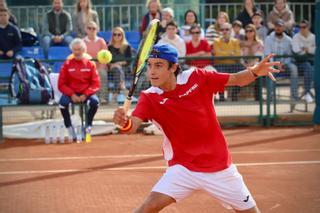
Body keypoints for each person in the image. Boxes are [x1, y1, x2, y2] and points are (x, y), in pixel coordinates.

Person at [113, 43, 280, 213]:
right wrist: (123, 122)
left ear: (173, 67)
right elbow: (132, 126)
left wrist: (255, 71)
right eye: (149, 65)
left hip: (219, 167)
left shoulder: (197, 77)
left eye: (159, 65)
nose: (152, 71)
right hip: (182, 168)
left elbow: (236, 79)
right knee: (146, 209)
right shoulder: (149, 97)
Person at [58, 38, 100, 141]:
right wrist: (72, 94)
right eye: (75, 49)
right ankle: (69, 127)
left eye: (79, 49)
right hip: (71, 93)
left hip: (86, 93)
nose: (77, 52)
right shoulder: (66, 65)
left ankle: (88, 126)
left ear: (84, 50)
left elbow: (96, 83)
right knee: (62, 104)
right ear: (71, 51)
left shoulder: (90, 64)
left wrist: (85, 94)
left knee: (95, 102)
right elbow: (61, 84)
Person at [264, 19, 298, 101]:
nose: (278, 28)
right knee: (270, 71)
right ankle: (270, 97)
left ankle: (294, 96)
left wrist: (282, 64)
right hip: (272, 64)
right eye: (276, 26)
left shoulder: (289, 40)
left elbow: (289, 55)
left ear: (283, 27)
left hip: (286, 64)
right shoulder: (268, 39)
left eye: (280, 26)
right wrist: (276, 64)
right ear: (274, 27)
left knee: (294, 69)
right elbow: (268, 55)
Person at [212, 22, 243, 101]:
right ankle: (221, 96)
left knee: (243, 72)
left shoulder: (236, 41)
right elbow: (218, 54)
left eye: (227, 29)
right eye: (222, 29)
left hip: (233, 65)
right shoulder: (216, 41)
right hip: (220, 65)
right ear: (220, 31)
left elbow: (238, 55)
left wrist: (224, 54)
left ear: (231, 30)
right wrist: (230, 53)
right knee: (219, 74)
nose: (225, 31)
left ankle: (234, 93)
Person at [83, 21, 108, 102]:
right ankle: (89, 97)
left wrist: (99, 68)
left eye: (93, 28)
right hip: (86, 67)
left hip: (99, 67)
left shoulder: (101, 41)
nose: (91, 30)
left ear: (97, 30)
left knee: (102, 73)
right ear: (86, 30)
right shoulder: (82, 42)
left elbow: (105, 57)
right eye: (89, 28)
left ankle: (103, 98)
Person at [292, 20, 316, 103]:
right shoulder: (296, 37)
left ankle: (309, 92)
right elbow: (296, 50)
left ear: (308, 27)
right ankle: (307, 92)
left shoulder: (314, 37)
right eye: (300, 27)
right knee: (308, 67)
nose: (301, 29)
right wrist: (310, 50)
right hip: (300, 62)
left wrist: (306, 49)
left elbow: (315, 50)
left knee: (311, 68)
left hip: (313, 62)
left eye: (304, 27)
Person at [108, 26, 132, 103]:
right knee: (116, 70)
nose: (117, 36)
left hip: (125, 69)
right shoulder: (109, 47)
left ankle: (115, 95)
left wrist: (119, 63)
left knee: (118, 70)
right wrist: (112, 65)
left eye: (119, 34)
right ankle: (122, 87)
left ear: (122, 35)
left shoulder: (127, 47)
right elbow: (107, 60)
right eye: (115, 34)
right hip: (112, 69)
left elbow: (129, 61)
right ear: (112, 36)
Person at [240, 24, 264, 100]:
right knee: (236, 70)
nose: (248, 33)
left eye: (250, 31)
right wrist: (245, 64)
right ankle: (236, 96)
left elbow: (259, 55)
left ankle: (258, 96)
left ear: (254, 32)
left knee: (257, 71)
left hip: (255, 64)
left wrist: (251, 64)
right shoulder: (242, 43)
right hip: (244, 64)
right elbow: (240, 56)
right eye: (246, 31)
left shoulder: (259, 43)